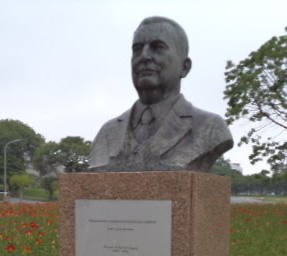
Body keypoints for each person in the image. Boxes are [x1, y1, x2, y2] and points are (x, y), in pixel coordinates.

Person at [89, 16, 233, 172]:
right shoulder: (107, 132)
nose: (144, 56)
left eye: (157, 47)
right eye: (137, 49)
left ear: (185, 67)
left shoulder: (210, 127)